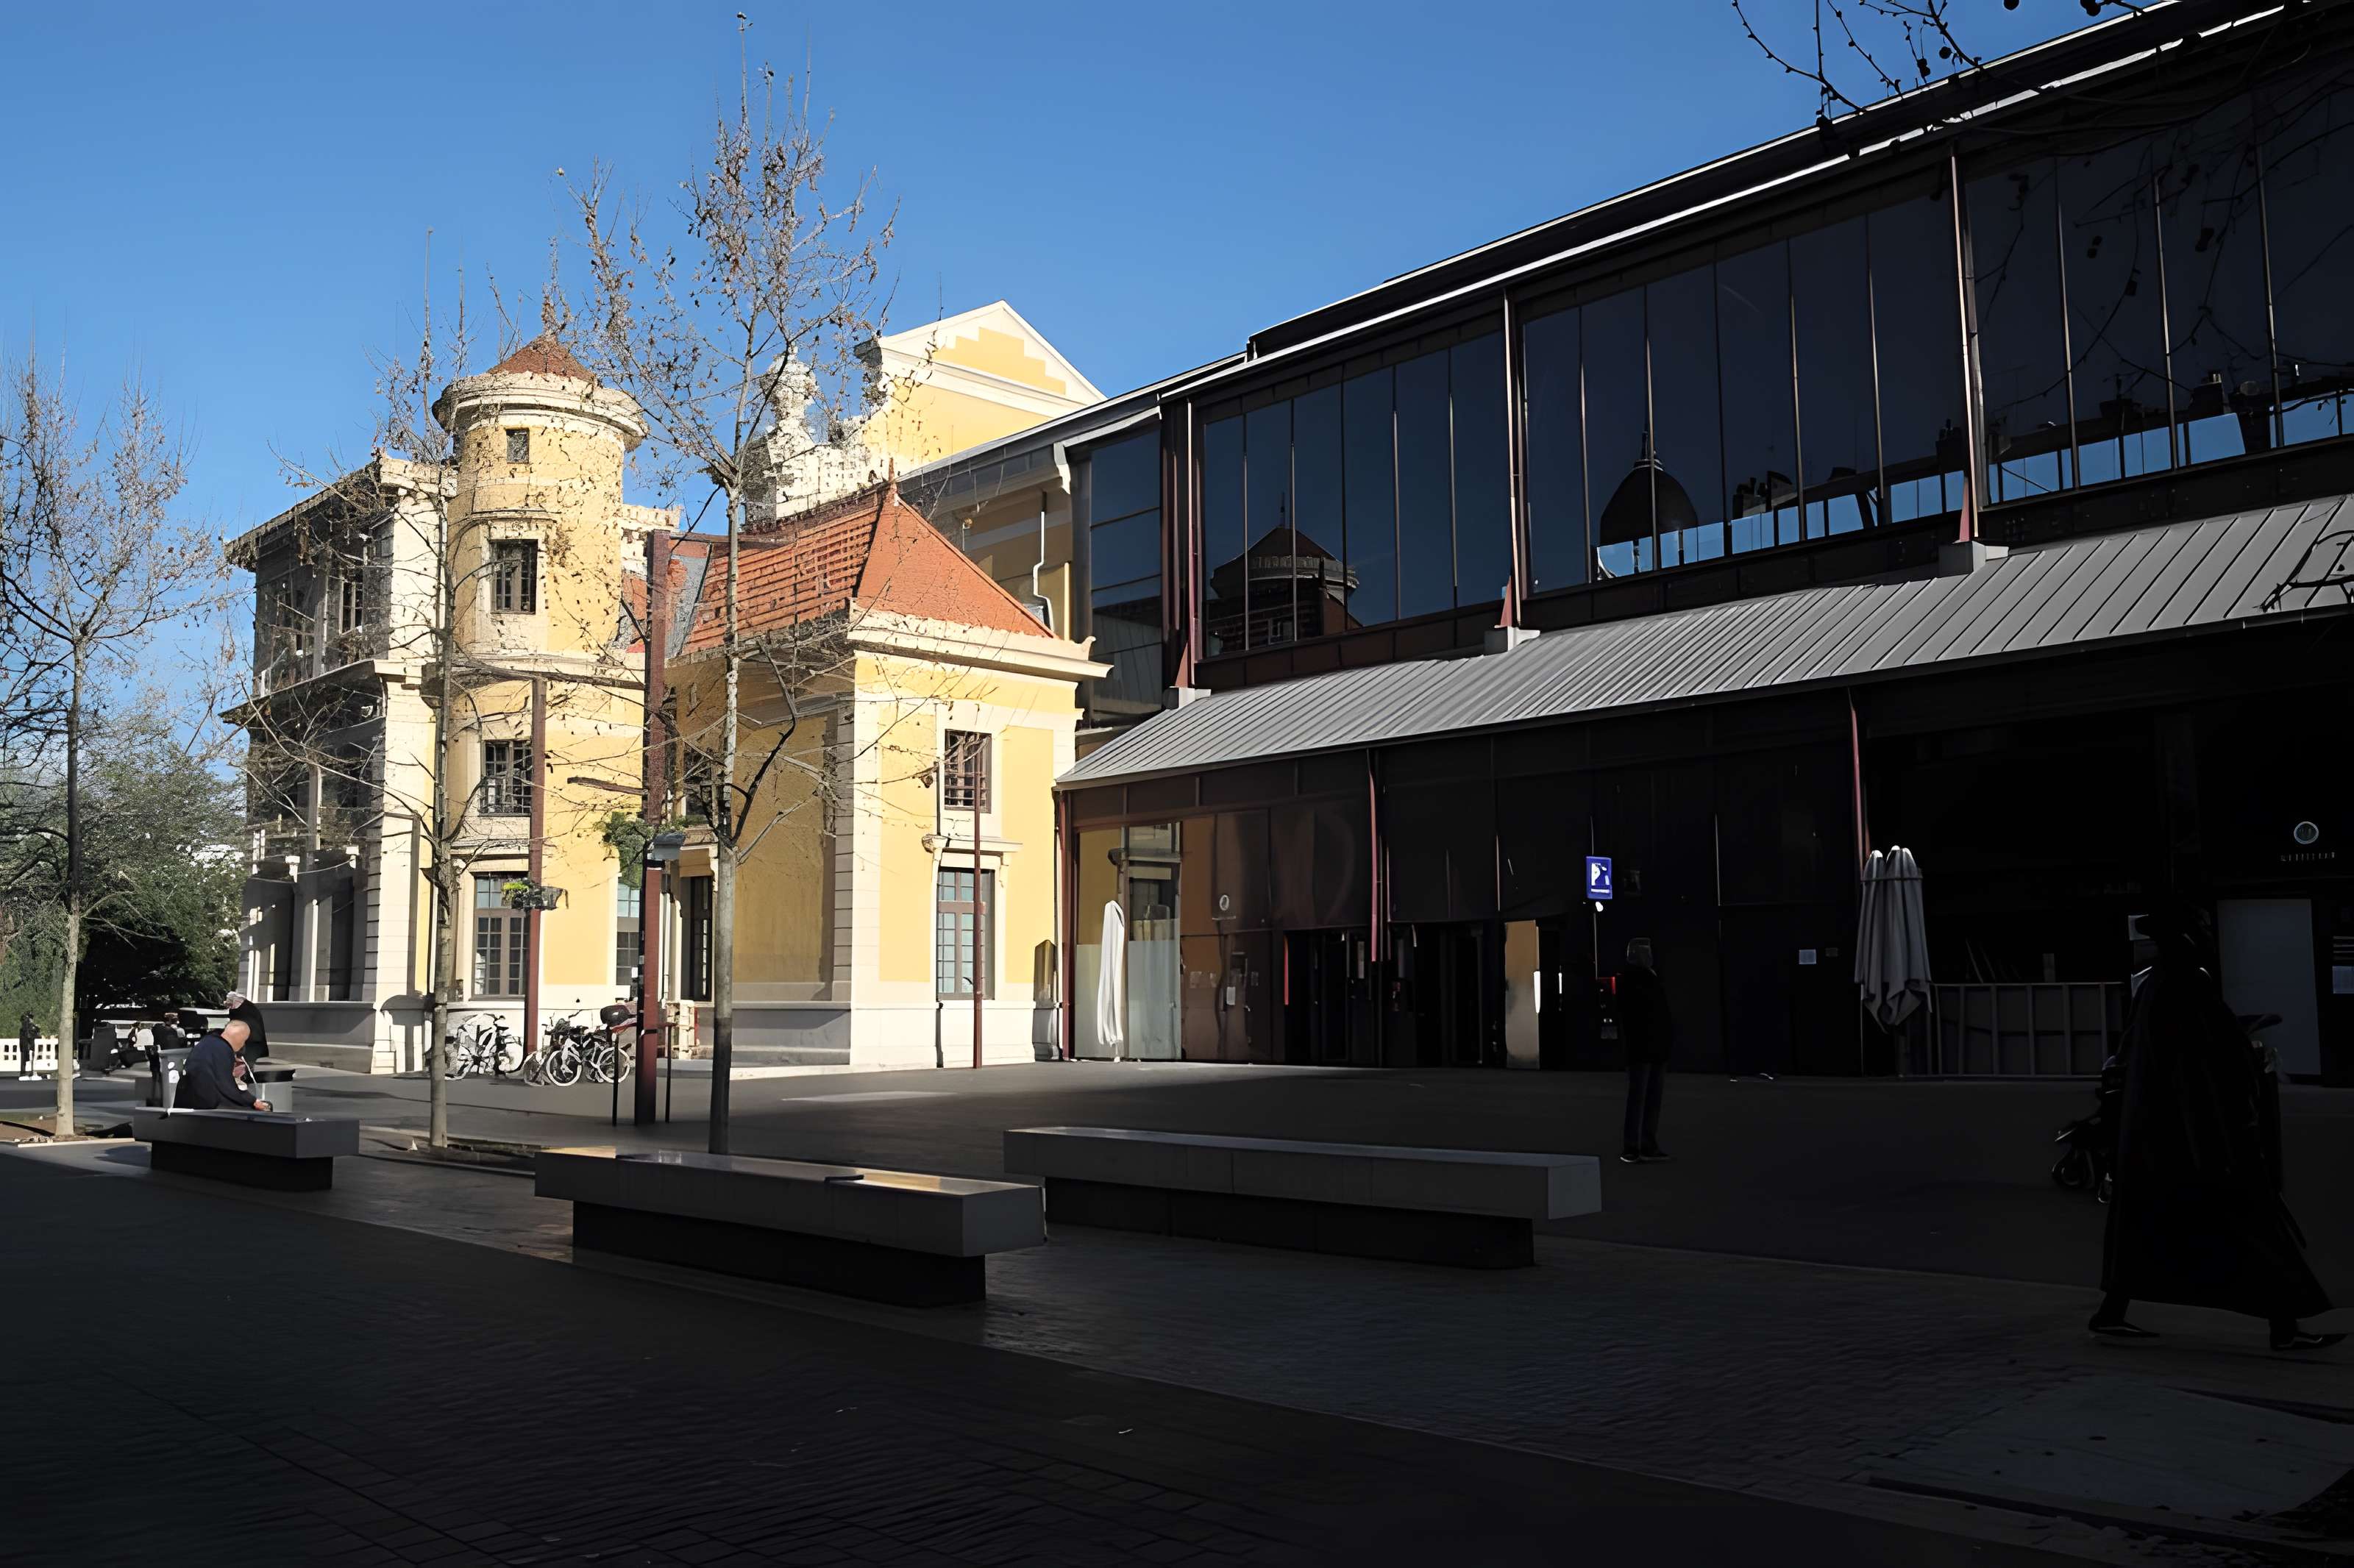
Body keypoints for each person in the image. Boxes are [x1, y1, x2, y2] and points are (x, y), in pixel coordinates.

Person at [2090, 903, 2341, 1353]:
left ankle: (2112, 1312)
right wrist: (2252, 1059)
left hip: (2157, 1136)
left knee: (2149, 1227)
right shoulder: (2190, 983)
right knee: (2255, 1225)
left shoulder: (2153, 986)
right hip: (2203, 1136)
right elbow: (2218, 1053)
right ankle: (2284, 1327)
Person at [1618, 938, 1672, 1165]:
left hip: (1652, 1048)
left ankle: (1645, 1144)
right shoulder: (1636, 980)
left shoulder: (1649, 977)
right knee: (1640, 1098)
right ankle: (1634, 1146)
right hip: (1643, 1048)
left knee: (1648, 1099)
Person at [172, 1019, 271, 1113]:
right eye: (244, 1040)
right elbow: (227, 1088)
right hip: (204, 1107)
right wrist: (252, 1101)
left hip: (188, 1100)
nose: (243, 1045)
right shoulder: (223, 1050)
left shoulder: (209, 1041)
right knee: (261, 1111)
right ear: (239, 1039)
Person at [222, 991, 269, 1061]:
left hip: (250, 1038)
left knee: (248, 1058)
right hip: (254, 1037)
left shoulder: (241, 1009)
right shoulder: (248, 1006)